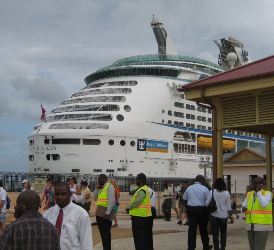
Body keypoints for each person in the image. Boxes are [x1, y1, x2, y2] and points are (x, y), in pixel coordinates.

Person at [43, 182, 93, 250]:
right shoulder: (48, 214)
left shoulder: (81, 214)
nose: (60, 197)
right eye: (57, 194)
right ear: (54, 195)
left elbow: (87, 244)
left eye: (63, 194)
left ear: (70, 194)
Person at [242, 176, 272, 250]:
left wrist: (258, 193)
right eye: (254, 183)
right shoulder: (249, 194)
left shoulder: (267, 193)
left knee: (258, 248)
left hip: (262, 226)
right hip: (250, 226)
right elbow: (244, 205)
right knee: (253, 248)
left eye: (258, 183)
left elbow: (264, 204)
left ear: (262, 184)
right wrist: (243, 209)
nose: (255, 185)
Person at [183, 175, 212, 250]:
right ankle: (206, 246)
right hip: (202, 210)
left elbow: (184, 199)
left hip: (191, 210)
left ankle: (191, 247)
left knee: (192, 229)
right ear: (202, 181)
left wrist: (188, 208)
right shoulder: (205, 189)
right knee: (203, 229)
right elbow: (208, 201)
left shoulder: (189, 188)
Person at [126, 173, 153, 250]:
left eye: (136, 179)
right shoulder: (142, 189)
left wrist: (128, 207)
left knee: (139, 239)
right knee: (144, 239)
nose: (136, 181)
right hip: (143, 218)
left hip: (140, 219)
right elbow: (132, 192)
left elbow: (137, 201)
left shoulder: (142, 190)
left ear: (140, 180)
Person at [206, 178, 232, 250]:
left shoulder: (212, 192)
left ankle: (216, 248)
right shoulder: (227, 193)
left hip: (214, 216)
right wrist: (230, 216)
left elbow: (206, 203)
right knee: (223, 233)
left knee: (215, 234)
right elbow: (229, 206)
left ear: (215, 184)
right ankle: (223, 247)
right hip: (224, 216)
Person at [94, 174, 115, 250]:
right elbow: (95, 198)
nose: (98, 181)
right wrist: (96, 189)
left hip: (105, 214)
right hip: (99, 214)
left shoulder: (110, 187)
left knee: (106, 235)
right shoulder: (101, 188)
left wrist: (107, 213)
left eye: (99, 180)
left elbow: (111, 201)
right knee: (103, 235)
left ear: (104, 179)